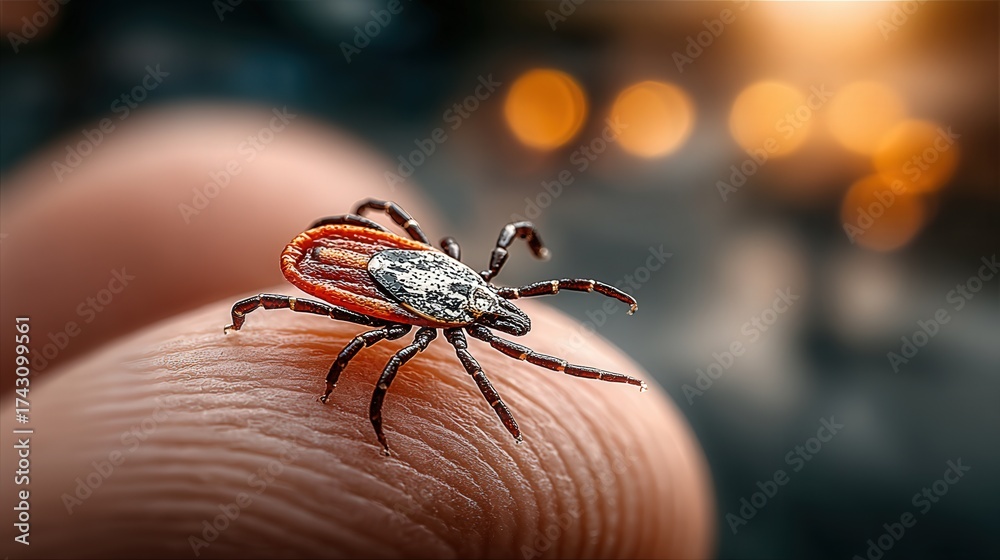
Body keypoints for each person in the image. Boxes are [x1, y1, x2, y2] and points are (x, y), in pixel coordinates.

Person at [0, 105, 713, 558]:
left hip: (372, 264)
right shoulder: (452, 331)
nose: (495, 315)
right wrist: (366, 396)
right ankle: (256, 313)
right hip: (363, 276)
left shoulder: (467, 291)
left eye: (489, 304)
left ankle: (261, 309)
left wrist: (391, 234)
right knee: (358, 345)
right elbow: (415, 355)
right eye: (487, 306)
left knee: (366, 324)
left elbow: (423, 226)